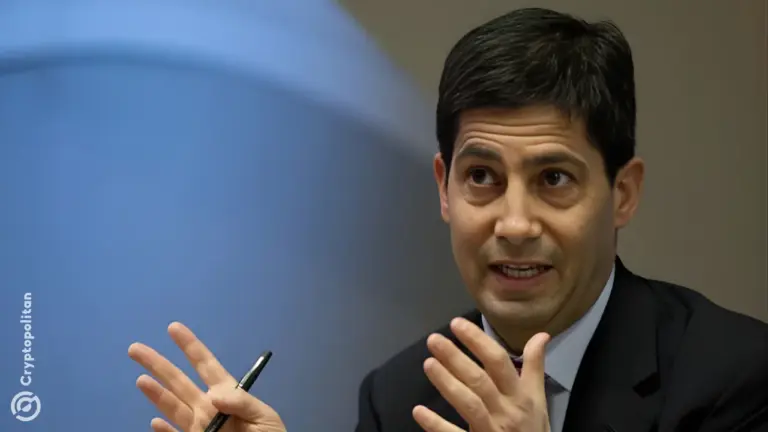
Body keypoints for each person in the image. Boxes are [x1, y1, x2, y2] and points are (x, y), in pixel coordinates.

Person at [127, 7, 768, 432]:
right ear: (444, 188)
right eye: (482, 177)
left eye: (553, 179)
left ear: (622, 193)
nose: (514, 224)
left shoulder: (735, 377)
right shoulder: (398, 396)